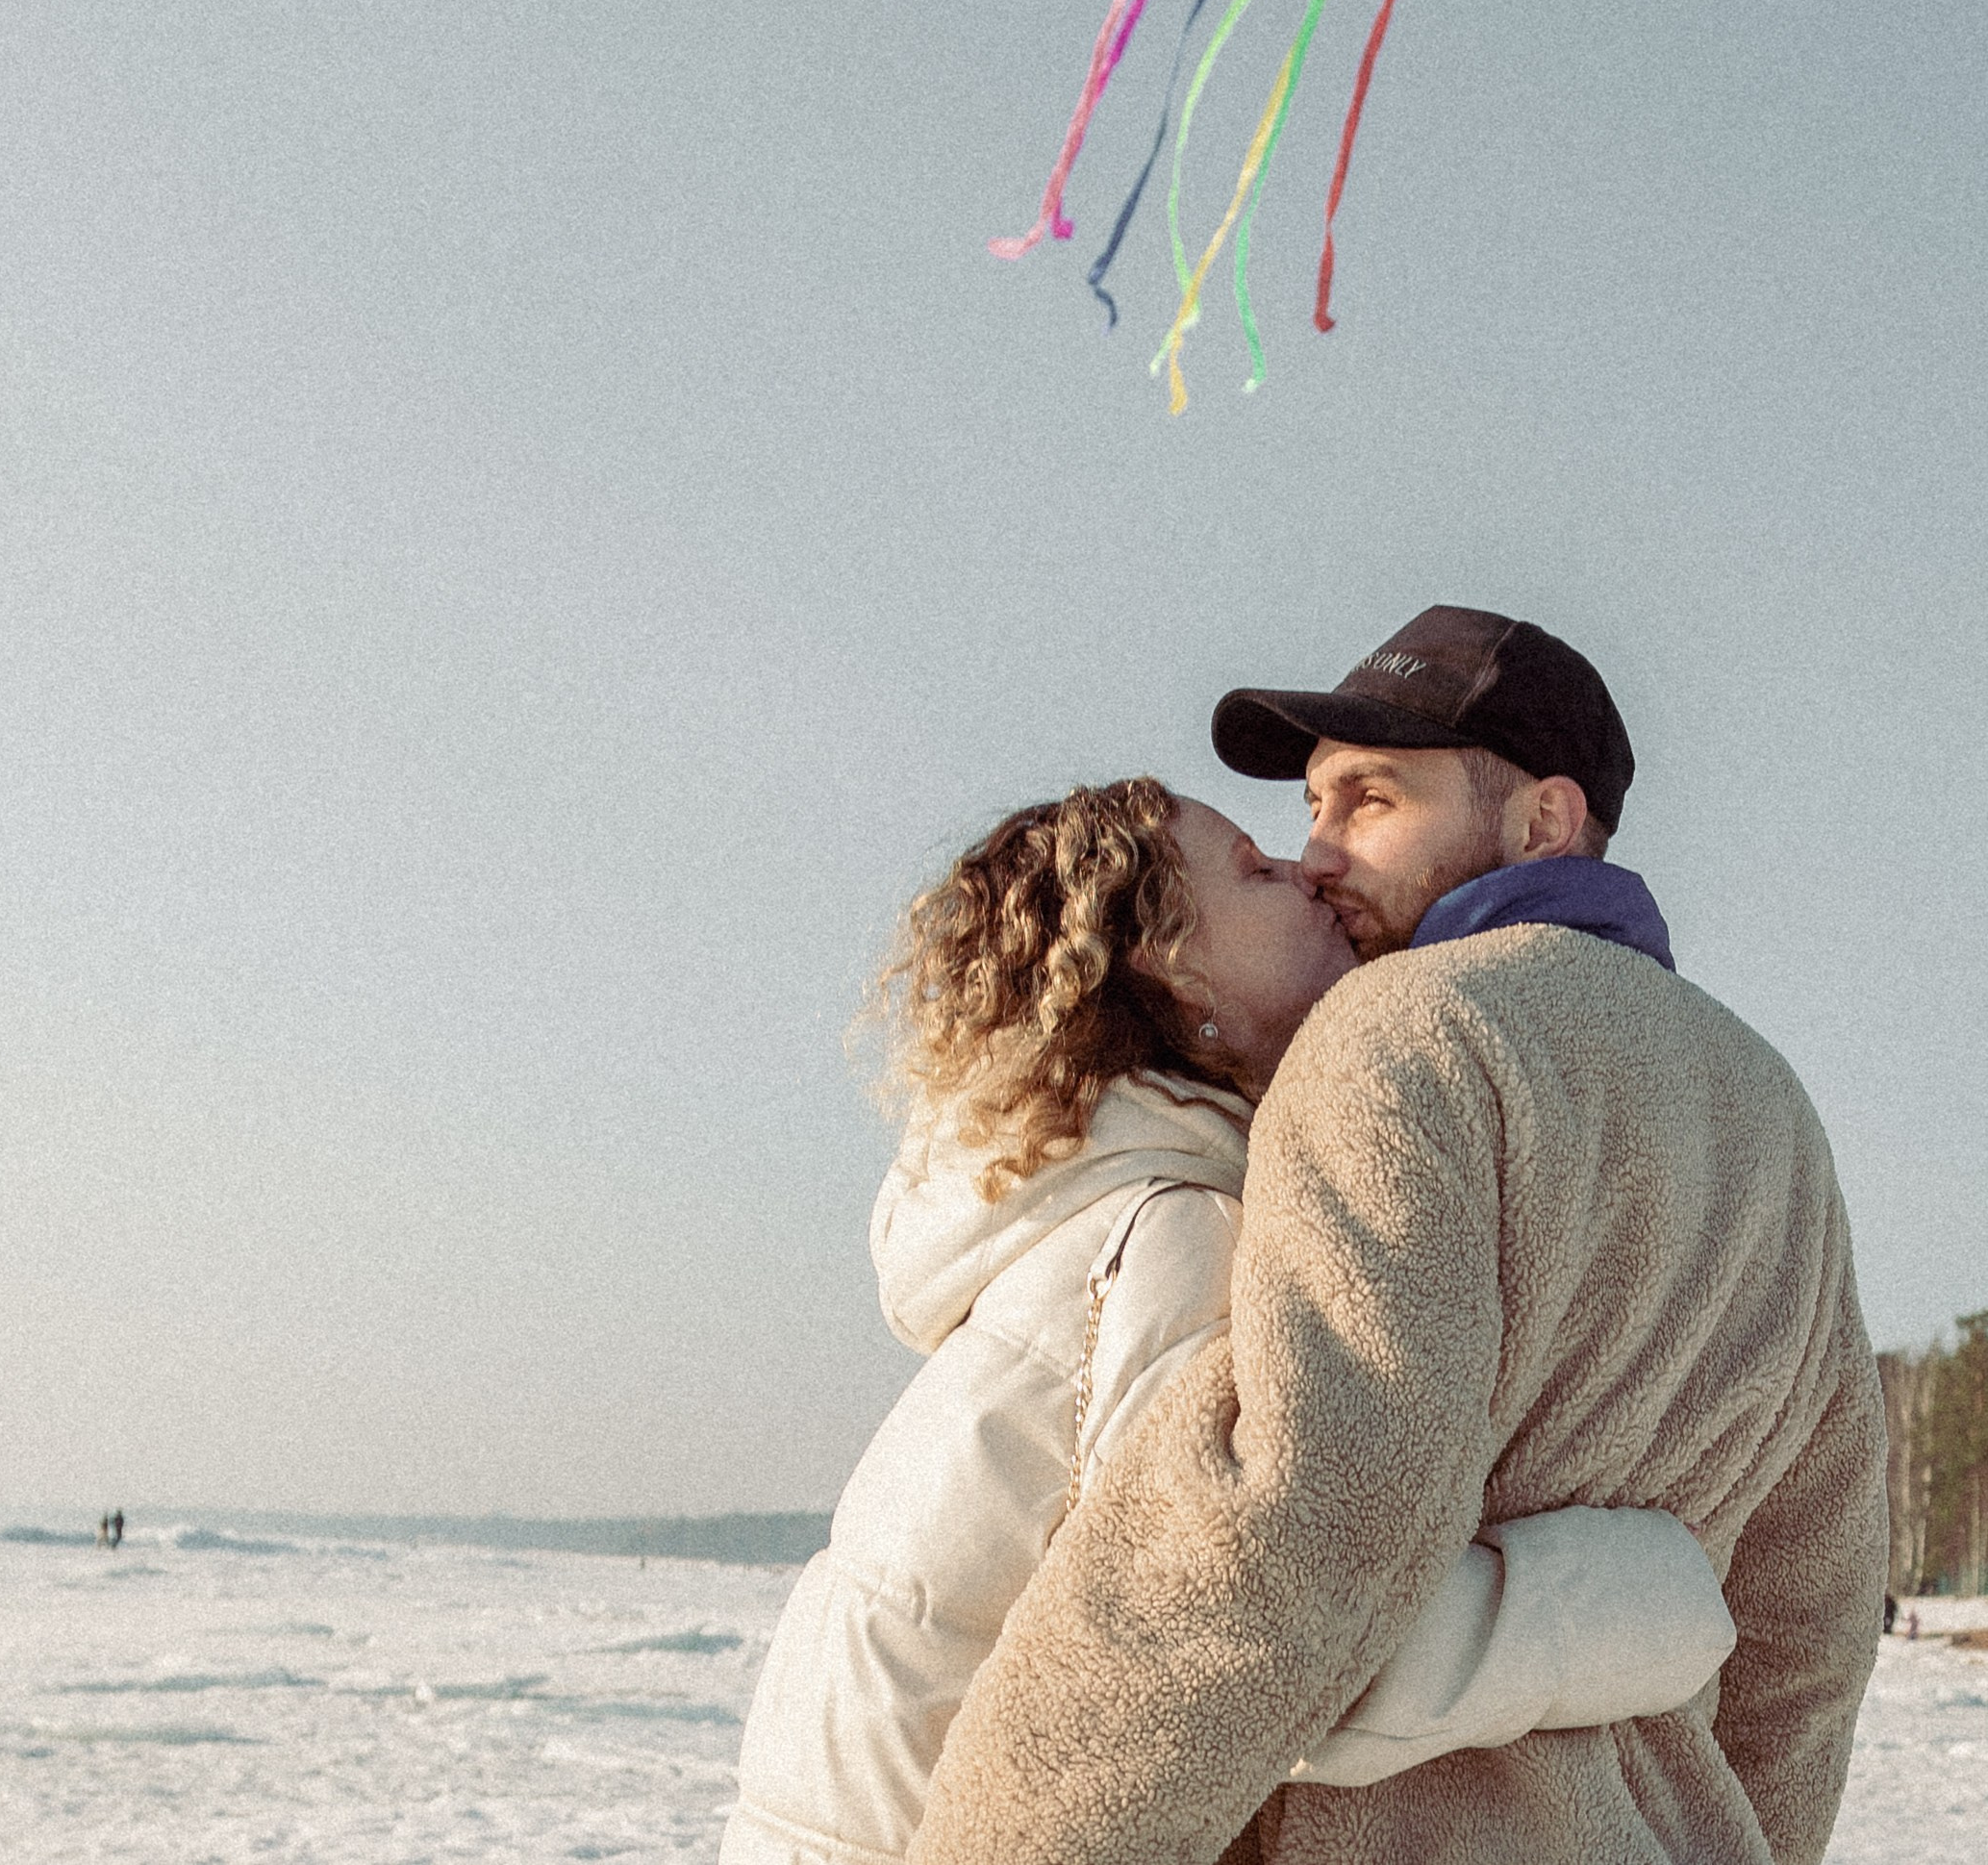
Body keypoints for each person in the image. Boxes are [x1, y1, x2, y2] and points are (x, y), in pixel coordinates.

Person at [910, 607, 1889, 1865]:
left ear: (1540, 820)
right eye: (1312, 808)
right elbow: (1808, 1606)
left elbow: (1291, 1521)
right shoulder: (1765, 1102)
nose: (1315, 854)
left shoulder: (1402, 1031)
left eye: (1366, 801)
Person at [722, 773, 1737, 1865]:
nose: (1308, 869)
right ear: (1171, 959)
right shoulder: (1180, 1236)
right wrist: (1653, 1606)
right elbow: (1244, 1642)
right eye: (1254, 869)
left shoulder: (1088, 1205)